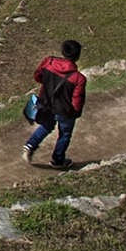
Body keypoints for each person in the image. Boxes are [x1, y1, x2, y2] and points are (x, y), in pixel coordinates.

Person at [25, 39, 87, 168]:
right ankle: (57, 160)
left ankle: (30, 145)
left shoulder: (49, 62)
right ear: (77, 56)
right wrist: (75, 113)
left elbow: (37, 76)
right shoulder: (78, 78)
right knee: (64, 134)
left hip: (47, 103)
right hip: (65, 110)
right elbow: (77, 100)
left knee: (46, 126)